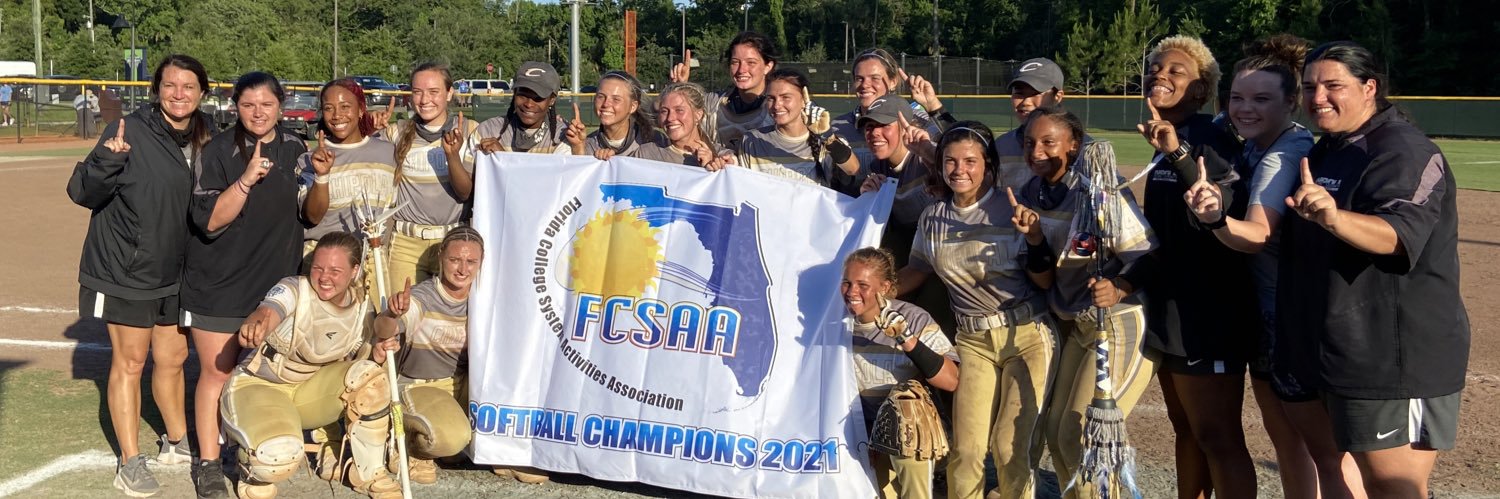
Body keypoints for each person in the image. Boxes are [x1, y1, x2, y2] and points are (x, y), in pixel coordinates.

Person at [1280, 40, 1468, 499]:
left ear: (1369, 88)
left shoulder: (1403, 150)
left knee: (1392, 487)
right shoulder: (1330, 148)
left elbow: (1397, 235)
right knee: (1350, 476)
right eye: (1309, 87)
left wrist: (1333, 216)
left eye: (1332, 85)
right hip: (1339, 348)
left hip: (1394, 357)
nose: (1317, 97)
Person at [1183, 34, 1366, 499]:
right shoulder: (1252, 132)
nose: (1244, 109)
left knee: (1317, 448)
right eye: (1238, 98)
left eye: (1262, 99)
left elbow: (1257, 235)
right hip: (1274, 311)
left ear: (1291, 103)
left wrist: (1214, 220)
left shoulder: (1284, 149)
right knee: (1292, 443)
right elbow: (1224, 116)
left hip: (1283, 315)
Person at [66, 53, 214, 498]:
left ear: (202, 93)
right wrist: (108, 162)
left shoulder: (207, 135)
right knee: (130, 362)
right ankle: (130, 461)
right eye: (170, 85)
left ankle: (175, 441)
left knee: (171, 359)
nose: (179, 94)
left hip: (176, 270)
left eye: (189, 86)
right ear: (156, 90)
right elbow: (81, 192)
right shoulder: (127, 130)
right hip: (126, 270)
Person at [1123, 35, 1257, 499]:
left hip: (1208, 312)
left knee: (1219, 437)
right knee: (1186, 431)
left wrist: (1179, 153)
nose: (1160, 75)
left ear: (1200, 92)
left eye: (1176, 71)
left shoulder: (1211, 140)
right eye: (1155, 68)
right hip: (1173, 308)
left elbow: (1220, 203)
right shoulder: (1166, 140)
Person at [895, 121, 1055, 499]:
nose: (959, 170)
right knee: (965, 451)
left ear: (989, 165)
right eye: (950, 161)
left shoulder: (1011, 208)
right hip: (973, 341)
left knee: (1008, 447)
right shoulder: (933, 218)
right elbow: (916, 270)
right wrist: (875, 296)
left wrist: (1034, 239)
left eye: (970, 161)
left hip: (1027, 336)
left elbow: (1046, 281)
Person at [1007, 108, 1158, 498]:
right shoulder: (1030, 194)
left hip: (1118, 321)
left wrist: (1120, 285)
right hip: (1075, 321)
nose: (1036, 151)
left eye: (1048, 142)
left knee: (1080, 432)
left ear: (1074, 145)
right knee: (1058, 434)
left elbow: (1149, 255)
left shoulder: (1099, 190)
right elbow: (1043, 277)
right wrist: (1036, 239)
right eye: (1029, 142)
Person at [180, 72, 308, 498]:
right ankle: (210, 463)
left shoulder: (295, 149)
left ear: (281, 106)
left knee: (258, 377)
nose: (258, 113)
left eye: (267, 104)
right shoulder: (217, 150)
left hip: (271, 289)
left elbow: (310, 212)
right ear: (235, 106)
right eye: (249, 104)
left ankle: (246, 449)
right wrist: (247, 179)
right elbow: (211, 219)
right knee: (216, 374)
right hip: (220, 283)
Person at [222, 231, 401, 499]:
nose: (324, 277)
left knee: (371, 377)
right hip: (260, 385)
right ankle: (251, 466)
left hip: (308, 391)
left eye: (335, 270)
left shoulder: (362, 305)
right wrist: (256, 323)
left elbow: (359, 361)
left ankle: (368, 471)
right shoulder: (294, 287)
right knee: (276, 458)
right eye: (318, 267)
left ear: (354, 271)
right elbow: (269, 310)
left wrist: (377, 350)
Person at [842, 247, 959, 499]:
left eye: (863, 284)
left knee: (906, 403)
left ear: (884, 287)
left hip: (910, 436)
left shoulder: (913, 317)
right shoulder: (832, 322)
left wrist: (906, 339)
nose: (852, 292)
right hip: (856, 433)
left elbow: (951, 380)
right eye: (847, 283)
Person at [375, 227, 485, 485]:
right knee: (453, 438)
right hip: (421, 386)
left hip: (461, 385)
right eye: (455, 259)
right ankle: (411, 446)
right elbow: (384, 329)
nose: (462, 269)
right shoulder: (423, 296)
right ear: (440, 258)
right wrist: (391, 314)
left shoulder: (483, 299)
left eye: (471, 262)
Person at [379, 63, 478, 292]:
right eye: (417, 92)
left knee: (450, 317)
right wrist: (369, 124)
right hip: (406, 243)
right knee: (402, 315)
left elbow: (465, 193)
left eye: (434, 92)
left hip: (453, 241)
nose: (424, 100)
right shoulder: (396, 132)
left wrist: (452, 156)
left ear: (449, 93)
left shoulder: (470, 130)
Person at [298, 78, 397, 303]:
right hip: (325, 262)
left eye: (345, 107)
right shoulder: (309, 159)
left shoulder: (388, 153)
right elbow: (312, 216)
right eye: (328, 108)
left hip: (372, 259)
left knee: (373, 331)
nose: (337, 115)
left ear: (361, 110)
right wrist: (321, 175)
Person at [733, 68, 860, 193]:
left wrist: (827, 136)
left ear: (804, 100)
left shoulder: (827, 141)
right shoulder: (752, 140)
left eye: (785, 97)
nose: (777, 105)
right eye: (771, 98)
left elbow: (853, 169)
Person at [830, 48, 953, 167]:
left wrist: (932, 105)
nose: (865, 85)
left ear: (893, 81)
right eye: (859, 79)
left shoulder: (916, 119)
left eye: (875, 78)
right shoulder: (839, 126)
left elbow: (962, 144)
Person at [670, 31, 779, 149]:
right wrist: (679, 88)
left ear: (768, 67)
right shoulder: (712, 105)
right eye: (735, 62)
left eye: (751, 62)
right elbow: (660, 116)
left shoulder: (780, 109)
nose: (742, 70)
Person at [994, 58, 1071, 192]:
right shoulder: (1001, 146)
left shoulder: (1082, 148)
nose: (1026, 102)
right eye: (1019, 93)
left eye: (1036, 93)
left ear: (1057, 96)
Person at [475, 61, 580, 155]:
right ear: (514, 94)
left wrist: (502, 157)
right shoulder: (488, 130)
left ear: (552, 100)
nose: (529, 104)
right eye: (523, 95)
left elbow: (555, 177)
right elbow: (471, 176)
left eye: (538, 97)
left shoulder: (562, 135)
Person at [635, 81, 734, 171]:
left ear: (698, 115)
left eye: (679, 110)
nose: (670, 118)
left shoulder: (723, 157)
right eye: (664, 111)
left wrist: (712, 170)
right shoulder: (646, 154)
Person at [585, 70, 660, 160]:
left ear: (633, 106)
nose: (605, 104)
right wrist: (578, 149)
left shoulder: (655, 142)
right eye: (601, 96)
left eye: (616, 99)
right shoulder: (587, 145)